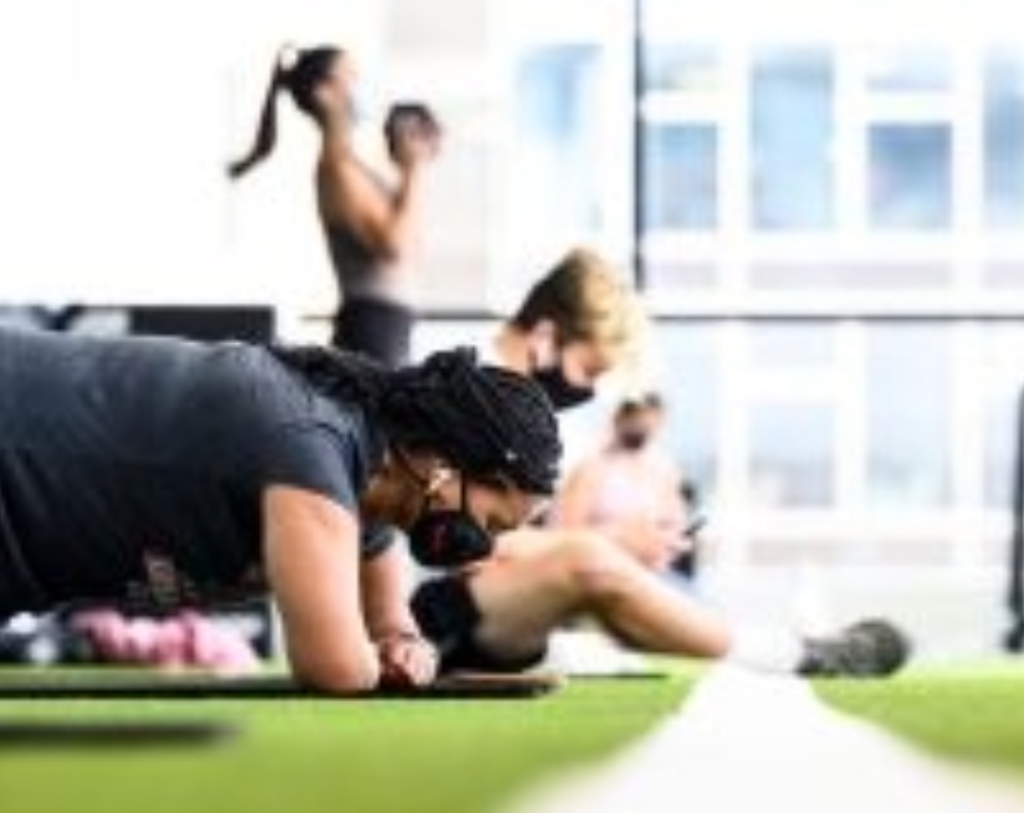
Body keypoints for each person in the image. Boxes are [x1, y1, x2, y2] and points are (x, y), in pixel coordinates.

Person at [410, 248, 911, 679]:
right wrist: (612, 542)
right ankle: (798, 655)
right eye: (588, 370)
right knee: (588, 560)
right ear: (544, 334)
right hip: (427, 613)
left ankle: (792, 649)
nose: (585, 390)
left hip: (477, 605)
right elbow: (460, 546)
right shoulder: (467, 386)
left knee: (599, 567)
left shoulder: (519, 405)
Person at [0, 326, 560, 694]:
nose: (479, 547)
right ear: (446, 461)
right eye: (489, 523)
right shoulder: (311, 450)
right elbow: (336, 669)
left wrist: (408, 650)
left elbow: (392, 625)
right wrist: (376, 662)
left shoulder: (367, 505)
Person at [228, 44, 441, 367]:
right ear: (324, 93)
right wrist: (413, 171)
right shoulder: (336, 169)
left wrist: (412, 163)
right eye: (352, 77)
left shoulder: (352, 166)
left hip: (388, 327)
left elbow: (402, 232)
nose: (361, 84)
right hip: (371, 330)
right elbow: (394, 246)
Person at [550, 392, 690, 574]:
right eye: (634, 414)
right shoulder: (590, 469)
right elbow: (563, 535)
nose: (642, 423)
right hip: (598, 573)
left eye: (649, 416)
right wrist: (620, 536)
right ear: (619, 417)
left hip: (651, 574)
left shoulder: (664, 470)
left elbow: (676, 521)